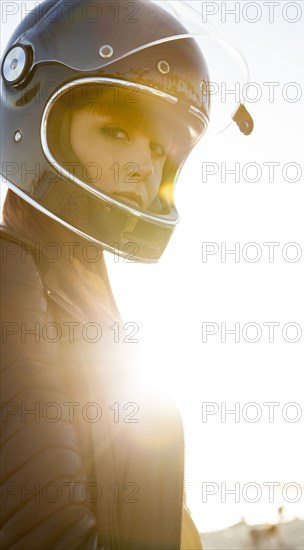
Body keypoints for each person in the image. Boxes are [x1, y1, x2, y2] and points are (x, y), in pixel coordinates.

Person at [0, 0, 253, 548]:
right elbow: (49, 534)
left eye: (161, 147)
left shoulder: (93, 307)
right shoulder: (9, 277)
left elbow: (163, 516)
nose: (145, 165)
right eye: (117, 131)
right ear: (38, 112)